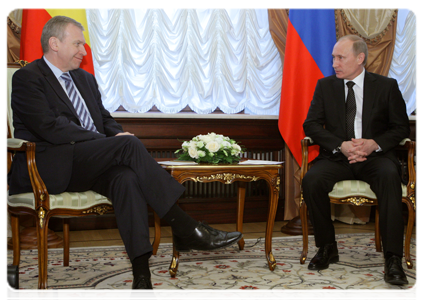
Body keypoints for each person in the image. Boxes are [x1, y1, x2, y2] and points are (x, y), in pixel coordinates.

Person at [8, 16, 242, 299]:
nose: (84, 50)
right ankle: (184, 226)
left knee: (127, 179)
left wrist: (113, 137)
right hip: (51, 166)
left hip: (90, 162)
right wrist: (112, 143)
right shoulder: (28, 78)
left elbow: (105, 120)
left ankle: (141, 280)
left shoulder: (84, 79)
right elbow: (50, 128)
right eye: (78, 43)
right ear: (54, 43)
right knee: (128, 145)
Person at [302, 35, 410, 285]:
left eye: (341, 57)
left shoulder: (386, 86)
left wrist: (374, 144)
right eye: (333, 58)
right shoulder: (325, 86)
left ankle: (393, 257)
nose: (334, 63)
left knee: (389, 176)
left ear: (360, 58)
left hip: (376, 158)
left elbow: (401, 127)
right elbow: (311, 124)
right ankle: (327, 247)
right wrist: (342, 145)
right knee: (312, 180)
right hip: (338, 157)